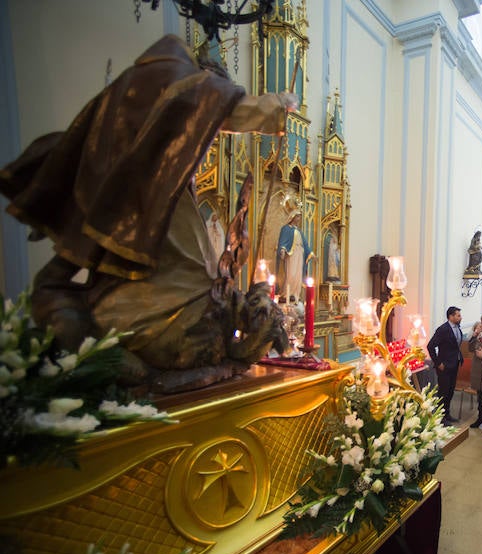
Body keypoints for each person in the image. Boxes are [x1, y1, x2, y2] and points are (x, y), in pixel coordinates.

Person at [0, 35, 296, 390]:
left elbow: (202, 275)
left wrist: (246, 301)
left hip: (189, 339)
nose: (203, 149)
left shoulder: (165, 189)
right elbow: (193, 97)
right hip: (148, 333)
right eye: (205, 134)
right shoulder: (162, 90)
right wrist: (270, 108)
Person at [427, 306, 464, 425]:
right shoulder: (443, 329)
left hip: (454, 364)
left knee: (450, 391)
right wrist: (438, 363)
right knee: (443, 392)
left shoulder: (457, 328)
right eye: (458, 315)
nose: (460, 317)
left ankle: (447, 414)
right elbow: (430, 346)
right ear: (451, 316)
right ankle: (440, 417)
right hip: (444, 366)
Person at [276, 210, 311, 298]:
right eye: (297, 216)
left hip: (299, 253)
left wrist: (311, 253)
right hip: (291, 254)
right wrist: (283, 249)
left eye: (300, 217)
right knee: (291, 273)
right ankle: (287, 293)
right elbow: (283, 241)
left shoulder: (298, 230)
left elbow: (305, 244)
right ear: (293, 217)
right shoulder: (286, 228)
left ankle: (295, 294)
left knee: (297, 275)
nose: (299, 219)